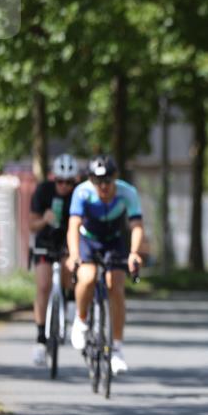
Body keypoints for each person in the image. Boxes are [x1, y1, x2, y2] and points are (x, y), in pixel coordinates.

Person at [66, 156, 145, 374]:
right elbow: (73, 225)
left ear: (115, 179)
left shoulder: (127, 192)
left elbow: (136, 225)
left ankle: (117, 349)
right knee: (88, 277)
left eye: (107, 181)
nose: (103, 186)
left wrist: (134, 254)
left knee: (116, 286)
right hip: (88, 239)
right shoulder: (82, 192)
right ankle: (81, 321)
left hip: (114, 240)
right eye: (97, 181)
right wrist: (73, 255)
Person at [30, 154, 80, 366]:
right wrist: (44, 220)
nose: (65, 186)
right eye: (61, 181)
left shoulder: (79, 194)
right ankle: (41, 339)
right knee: (43, 286)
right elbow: (32, 225)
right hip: (45, 244)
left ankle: (69, 303)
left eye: (69, 182)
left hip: (68, 245)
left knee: (70, 270)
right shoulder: (43, 191)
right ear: (54, 179)